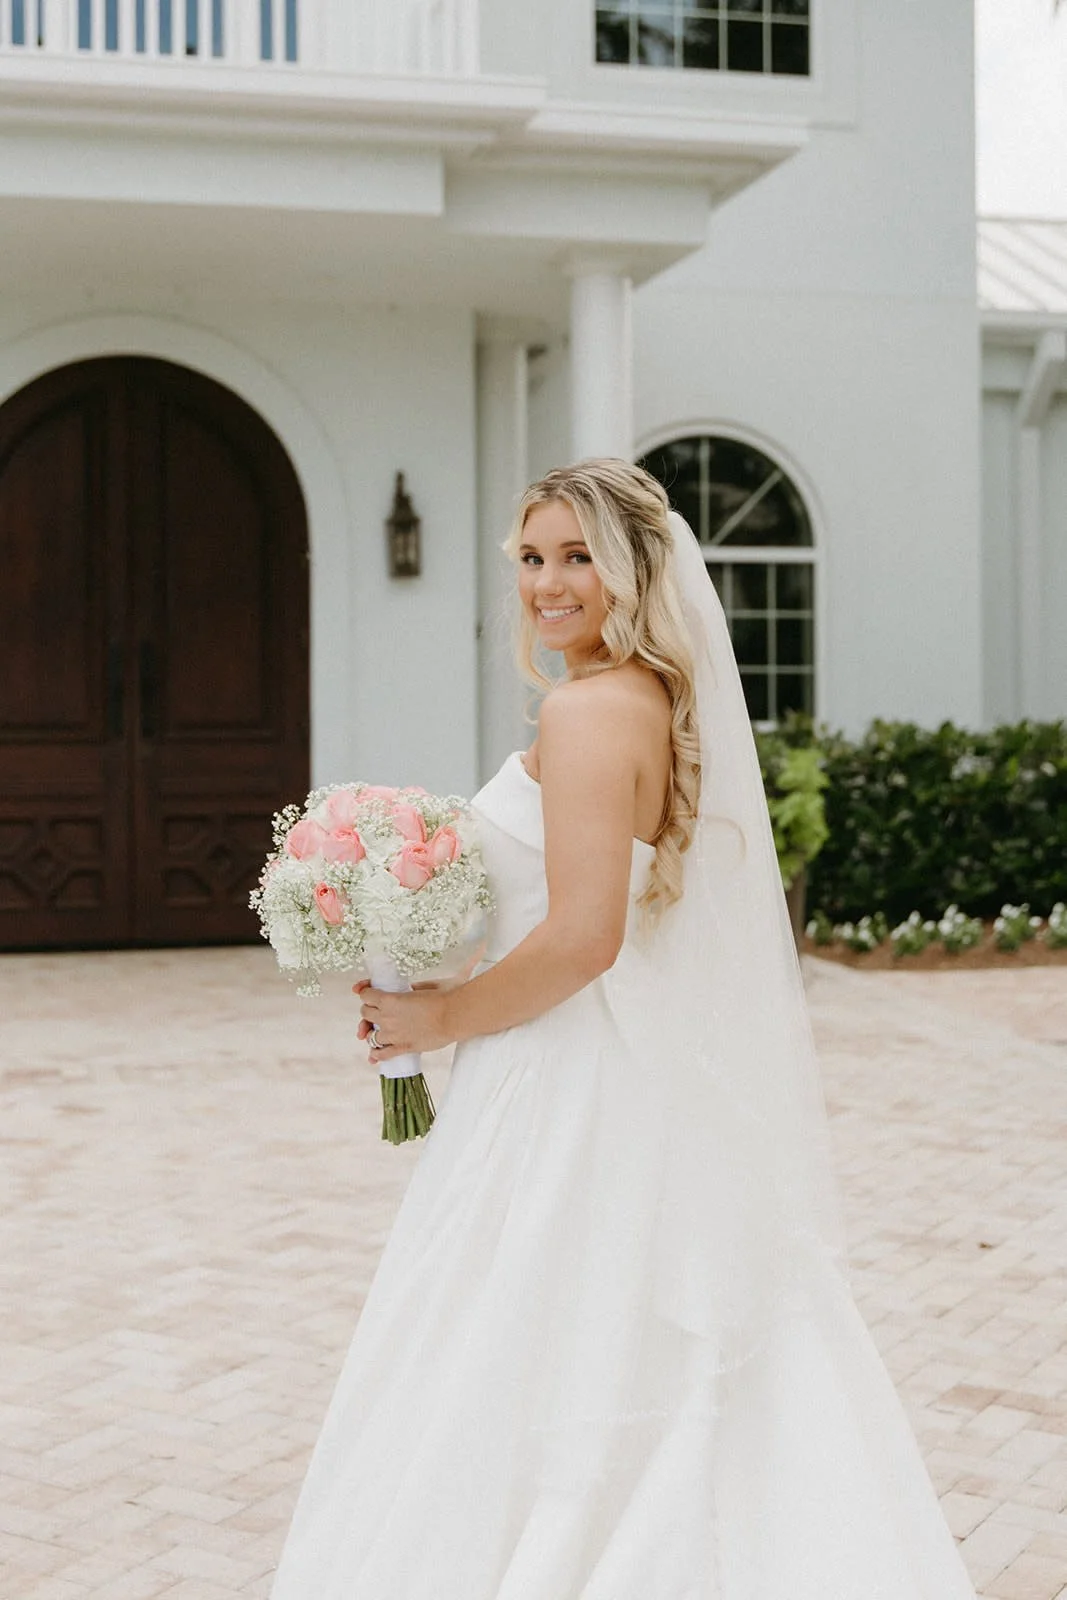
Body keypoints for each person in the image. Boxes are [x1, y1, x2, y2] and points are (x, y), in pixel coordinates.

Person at [269, 460, 977, 1598]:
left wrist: (439, 1013)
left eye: (577, 555)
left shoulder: (588, 709)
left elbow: (586, 937)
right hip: (593, 1062)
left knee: (531, 1345)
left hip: (563, 1082)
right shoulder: (644, 695)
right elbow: (575, 916)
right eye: (533, 558)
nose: (548, 583)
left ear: (634, 565)